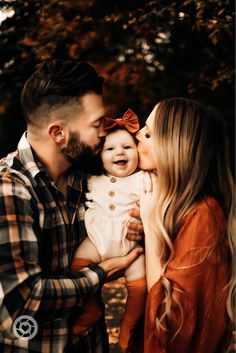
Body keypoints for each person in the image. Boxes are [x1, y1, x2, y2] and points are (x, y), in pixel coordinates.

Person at [0, 59, 144, 353]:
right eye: (96, 124)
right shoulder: (9, 189)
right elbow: (23, 300)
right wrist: (99, 275)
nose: (104, 133)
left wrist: (138, 227)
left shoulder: (84, 175)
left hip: (92, 343)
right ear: (58, 133)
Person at [136, 97, 235, 353]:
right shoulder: (176, 210)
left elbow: (170, 330)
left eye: (148, 133)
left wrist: (151, 232)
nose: (136, 134)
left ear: (173, 146)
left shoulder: (205, 217)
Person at [71, 108, 147, 353]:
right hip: (96, 239)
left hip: (131, 244)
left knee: (140, 286)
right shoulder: (93, 178)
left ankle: (128, 325)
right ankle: (91, 308)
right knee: (75, 267)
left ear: (137, 152)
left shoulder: (145, 179)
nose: (120, 153)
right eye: (110, 149)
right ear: (100, 156)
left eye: (127, 147)